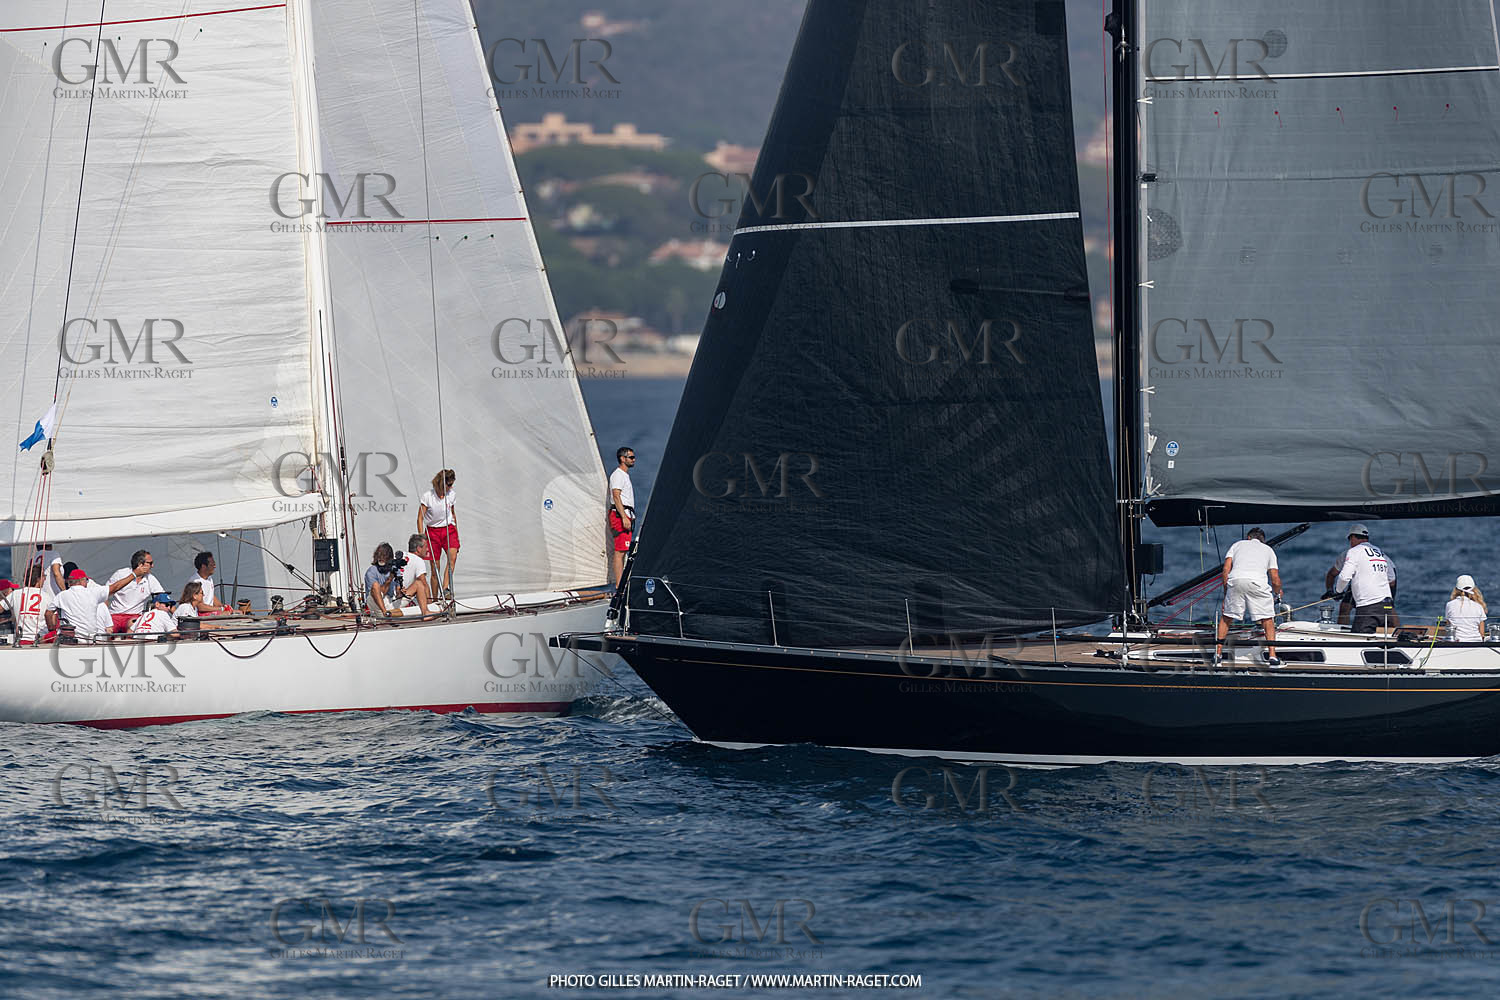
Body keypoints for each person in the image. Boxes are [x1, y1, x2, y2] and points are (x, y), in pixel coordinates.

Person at [1215, 527, 1283, 666]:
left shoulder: (1236, 545)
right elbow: (1275, 579)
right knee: (1267, 619)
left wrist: (1226, 593)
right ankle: (1272, 655)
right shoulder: (1268, 550)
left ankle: (1218, 653)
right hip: (1257, 583)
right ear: (1263, 540)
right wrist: (1277, 593)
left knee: (1227, 617)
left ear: (1248, 537)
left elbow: (1226, 570)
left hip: (1236, 581)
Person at [1325, 525, 1397, 626]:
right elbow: (1392, 580)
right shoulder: (1378, 551)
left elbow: (1339, 576)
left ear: (1352, 537)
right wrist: (1329, 591)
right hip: (1385, 578)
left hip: (1377, 580)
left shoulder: (1352, 552)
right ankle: (1393, 630)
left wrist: (1338, 591)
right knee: (1386, 606)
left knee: (1387, 607)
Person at [418, 469, 459, 597]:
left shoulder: (451, 495)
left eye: (452, 484)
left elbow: (453, 513)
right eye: (449, 484)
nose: (451, 487)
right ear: (441, 483)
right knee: (435, 569)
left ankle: (445, 589)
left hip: (448, 529)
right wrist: (422, 538)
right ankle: (435, 599)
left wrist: (457, 532)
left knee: (452, 558)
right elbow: (420, 518)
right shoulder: (428, 497)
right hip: (432, 532)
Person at [105, 550, 164, 633]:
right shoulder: (120, 574)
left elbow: (163, 599)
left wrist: (176, 616)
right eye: (150, 563)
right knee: (107, 630)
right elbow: (105, 594)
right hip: (114, 615)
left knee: (133, 625)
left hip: (134, 616)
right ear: (140, 564)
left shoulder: (150, 579)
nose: (152, 566)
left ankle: (128, 639)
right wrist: (105, 615)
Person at [54, 568, 111, 641]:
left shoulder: (61, 596)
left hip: (71, 640)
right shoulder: (97, 599)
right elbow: (109, 629)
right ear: (81, 581)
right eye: (86, 580)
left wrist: (51, 628)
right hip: (93, 640)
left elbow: (48, 612)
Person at [4, 565, 56, 646]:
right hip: (41, 641)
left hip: (21, 641)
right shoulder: (47, 597)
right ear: (38, 579)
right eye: (43, 576)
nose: (45, 579)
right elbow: (52, 619)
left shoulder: (15, 594)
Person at [608, 446, 636, 585]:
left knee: (624, 550)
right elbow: (616, 496)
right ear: (622, 458)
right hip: (620, 516)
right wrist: (624, 517)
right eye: (631, 457)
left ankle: (622, 584)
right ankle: (619, 586)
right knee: (620, 551)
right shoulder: (618, 475)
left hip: (626, 514)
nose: (634, 459)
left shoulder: (624, 475)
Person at [397, 533, 435, 615]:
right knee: (419, 584)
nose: (428, 550)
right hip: (398, 601)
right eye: (426, 547)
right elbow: (424, 584)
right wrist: (431, 605)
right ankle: (426, 612)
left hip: (388, 600)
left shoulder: (399, 556)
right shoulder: (418, 560)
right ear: (418, 549)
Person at [363, 542, 404, 618]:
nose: (381, 558)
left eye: (384, 556)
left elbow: (398, 592)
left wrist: (401, 592)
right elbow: (377, 594)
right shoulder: (371, 571)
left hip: (390, 601)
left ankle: (425, 611)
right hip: (376, 603)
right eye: (379, 555)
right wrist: (389, 579)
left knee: (418, 584)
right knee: (375, 585)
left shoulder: (394, 569)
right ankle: (385, 613)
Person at [1445, 575, 1487, 642]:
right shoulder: (1479, 606)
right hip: (1476, 643)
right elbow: (1482, 634)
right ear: (1473, 589)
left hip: (1457, 643)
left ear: (1456, 589)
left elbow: (1449, 627)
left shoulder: (1449, 605)